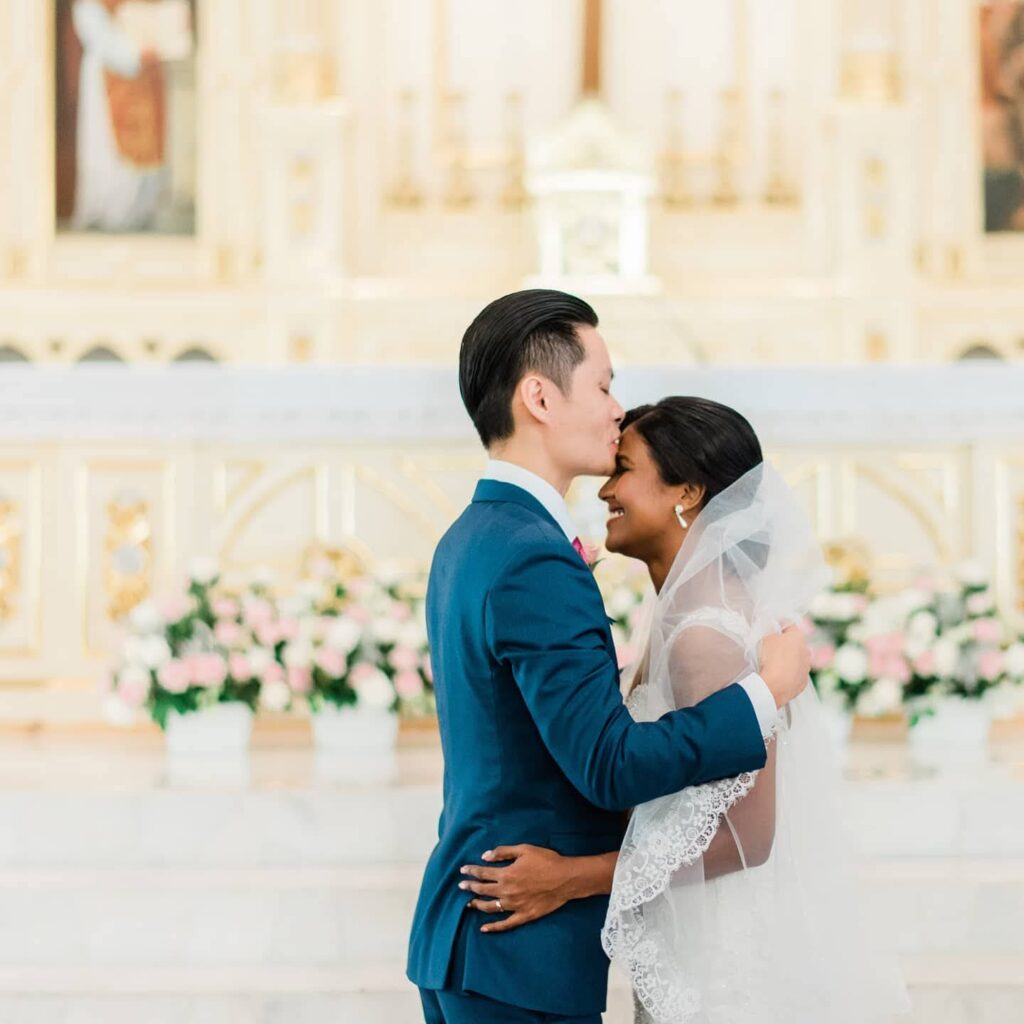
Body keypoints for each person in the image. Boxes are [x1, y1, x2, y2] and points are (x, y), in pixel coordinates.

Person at [406, 290, 811, 1023]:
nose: (615, 408)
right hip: (516, 945)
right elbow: (610, 764)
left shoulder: (475, 535)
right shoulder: (532, 556)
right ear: (539, 396)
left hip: (484, 939)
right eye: (602, 384)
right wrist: (763, 693)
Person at [462, 397, 909, 1023]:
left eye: (624, 470)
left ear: (689, 491)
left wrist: (572, 877)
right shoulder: (682, 616)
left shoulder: (705, 636)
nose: (605, 490)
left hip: (718, 955)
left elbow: (749, 837)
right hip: (688, 925)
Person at [70, 0, 167, 231]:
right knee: (106, 152)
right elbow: (90, 22)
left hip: (147, 79)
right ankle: (109, 214)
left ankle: (140, 211)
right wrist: (134, 53)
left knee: (147, 148)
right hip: (108, 76)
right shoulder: (92, 5)